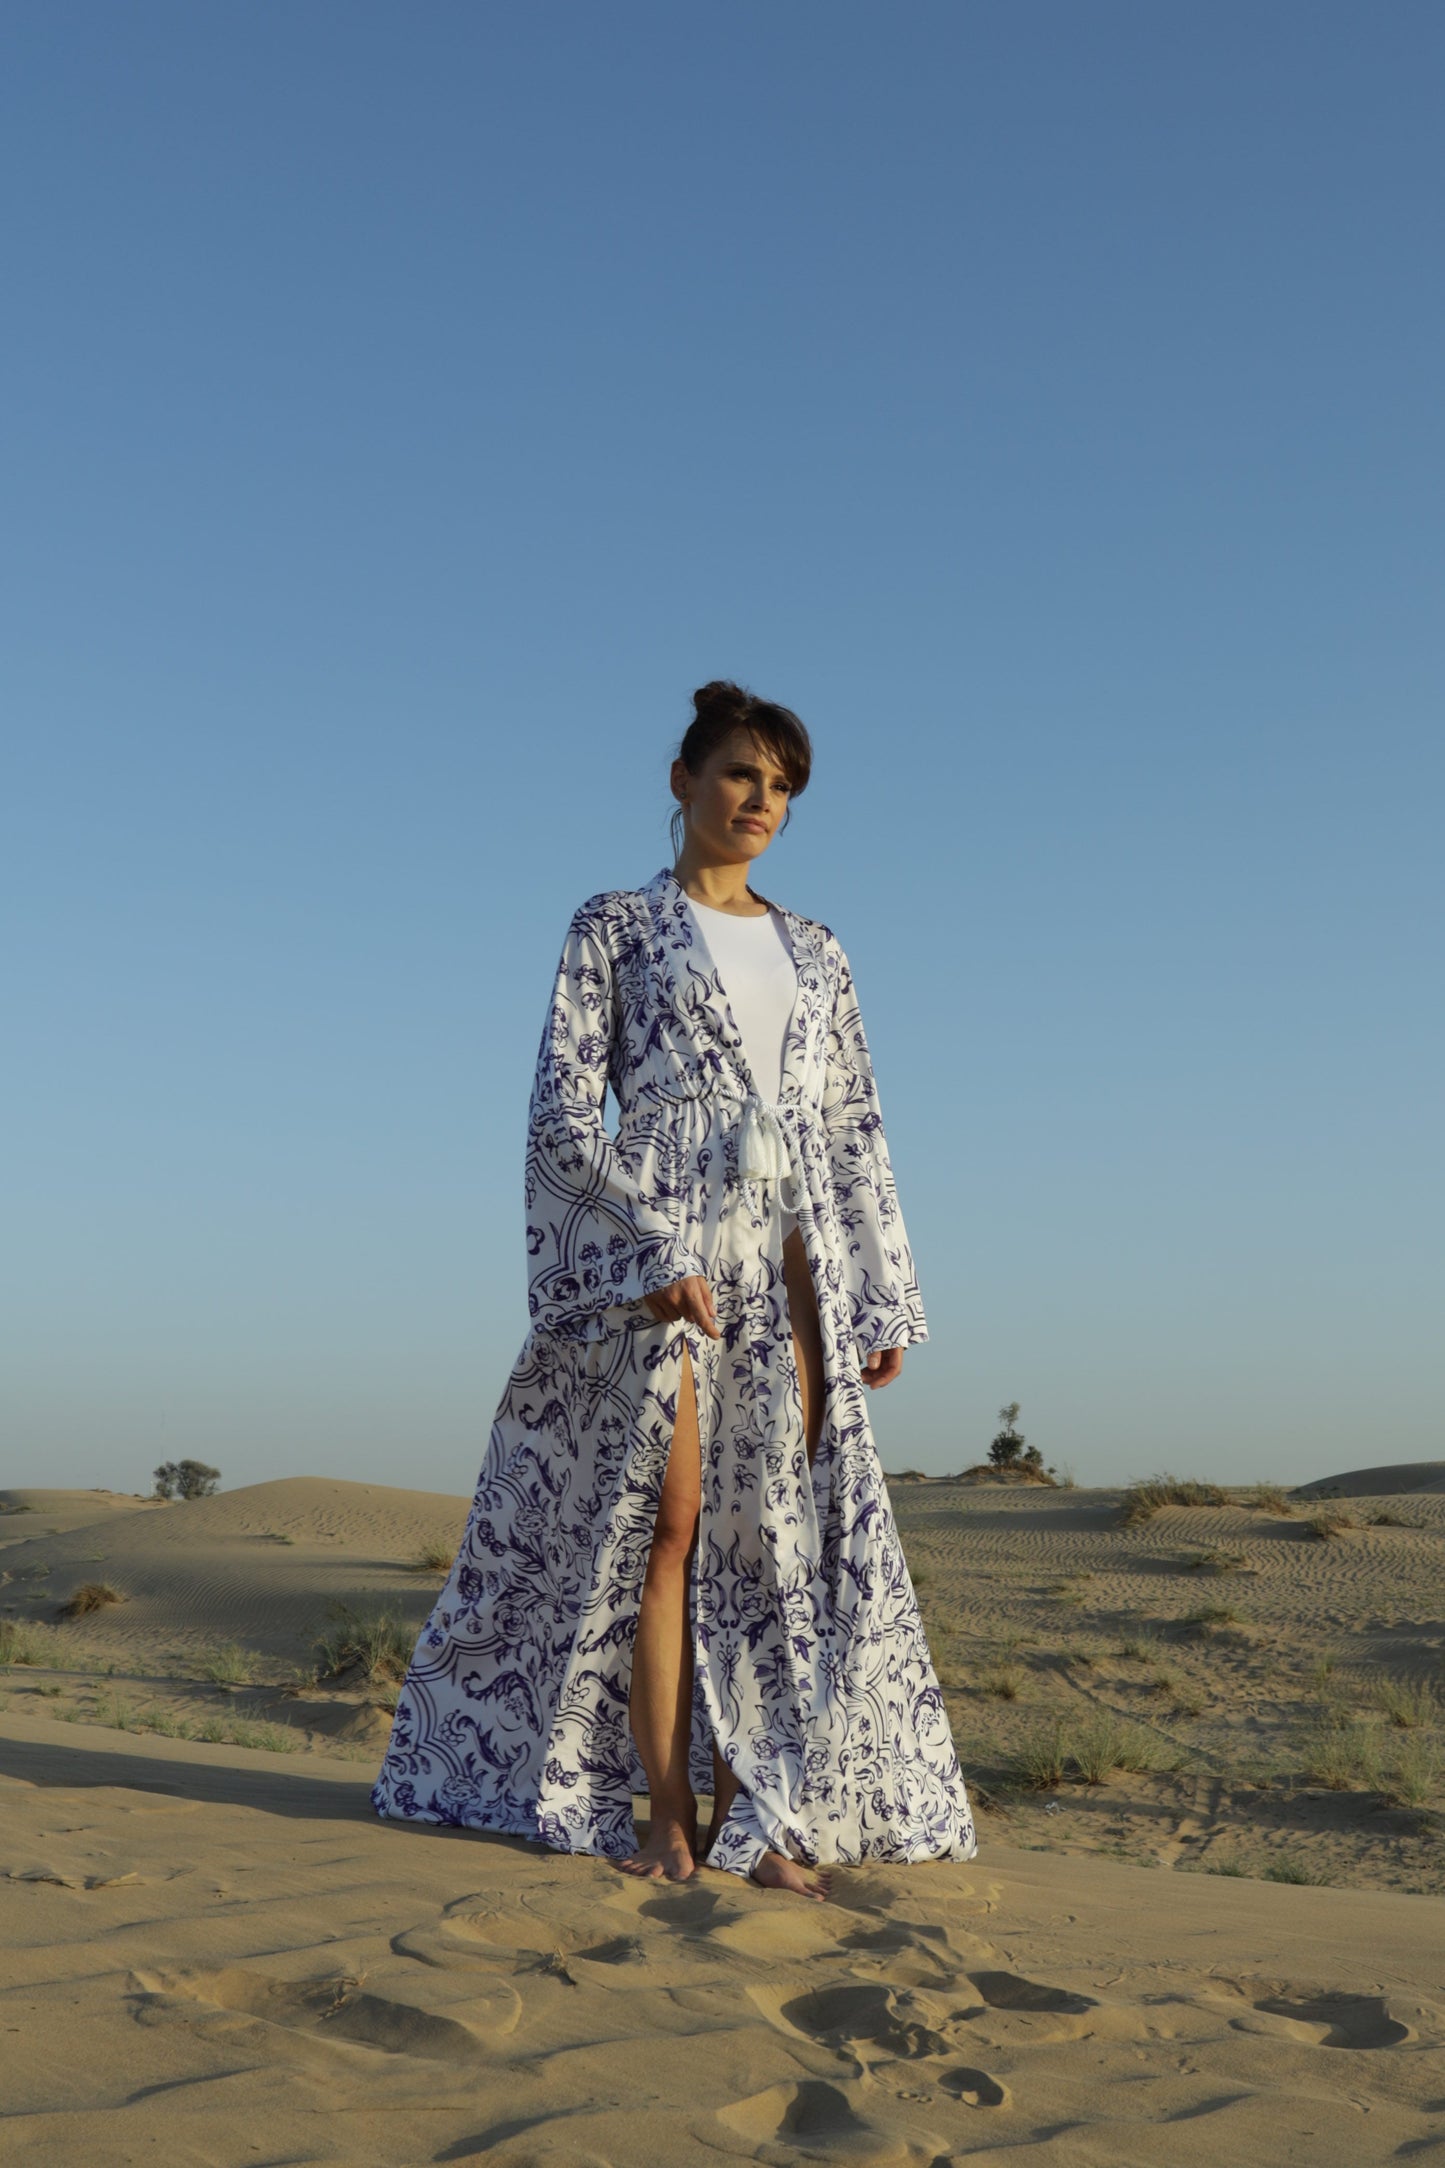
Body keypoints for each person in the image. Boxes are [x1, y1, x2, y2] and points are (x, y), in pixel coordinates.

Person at [371, 680, 977, 1899]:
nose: (760, 802)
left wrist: (879, 1287)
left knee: (781, 1544)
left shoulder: (818, 949)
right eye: (741, 774)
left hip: (790, 1259)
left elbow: (852, 1126)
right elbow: (558, 1110)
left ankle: (765, 1814)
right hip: (664, 1257)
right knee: (669, 1528)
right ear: (683, 780)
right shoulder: (611, 926)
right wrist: (650, 1256)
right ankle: (662, 1811)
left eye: (782, 787)